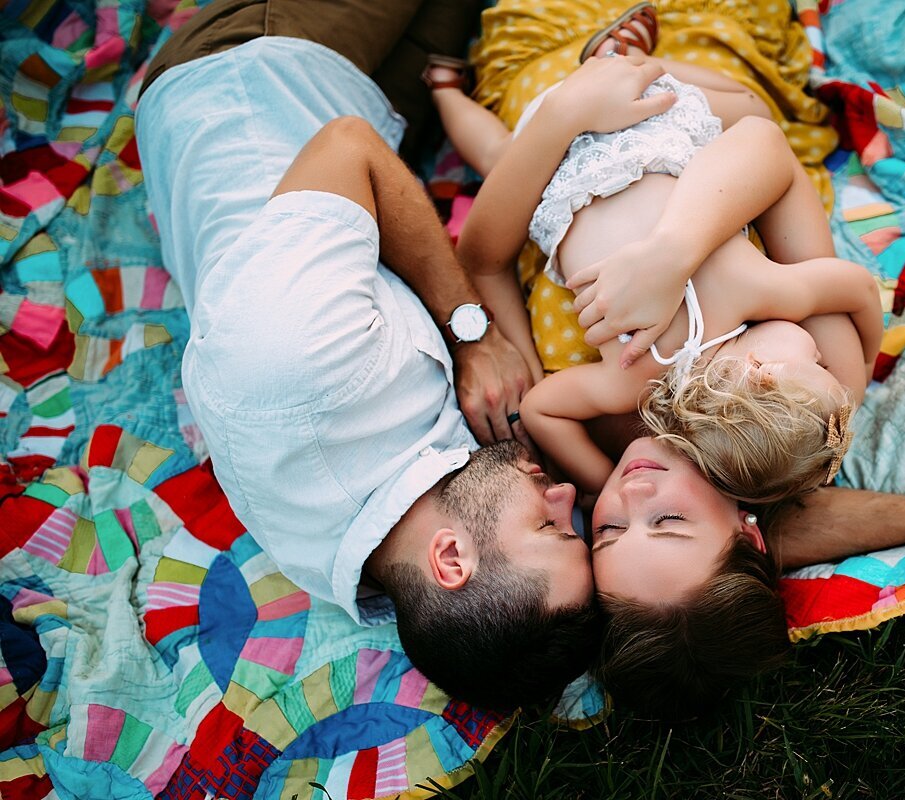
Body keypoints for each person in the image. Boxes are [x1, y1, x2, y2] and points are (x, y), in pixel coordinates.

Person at [451, 0, 905, 719]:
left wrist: (565, 116)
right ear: (752, 525)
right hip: (670, 84)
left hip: (541, 95)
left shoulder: (612, 425)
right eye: (670, 523)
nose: (629, 501)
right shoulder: (793, 408)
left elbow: (490, 270)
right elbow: (761, 145)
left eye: (607, 531)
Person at [131, 0, 646, 711]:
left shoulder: (292, 375)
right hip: (377, 117)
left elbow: (347, 147)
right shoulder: (402, 540)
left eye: (550, 525)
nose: (569, 499)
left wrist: (473, 333)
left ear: (452, 559)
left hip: (254, 71)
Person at [430, 6, 882, 506]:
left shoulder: (752, 289)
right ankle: (443, 88)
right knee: (496, 154)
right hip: (555, 175)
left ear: (758, 367)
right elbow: (540, 410)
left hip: (645, 131)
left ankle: (630, 60)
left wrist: (862, 362)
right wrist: (600, 485)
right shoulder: (632, 380)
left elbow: (859, 288)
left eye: (815, 363)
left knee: (754, 109)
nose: (820, 354)